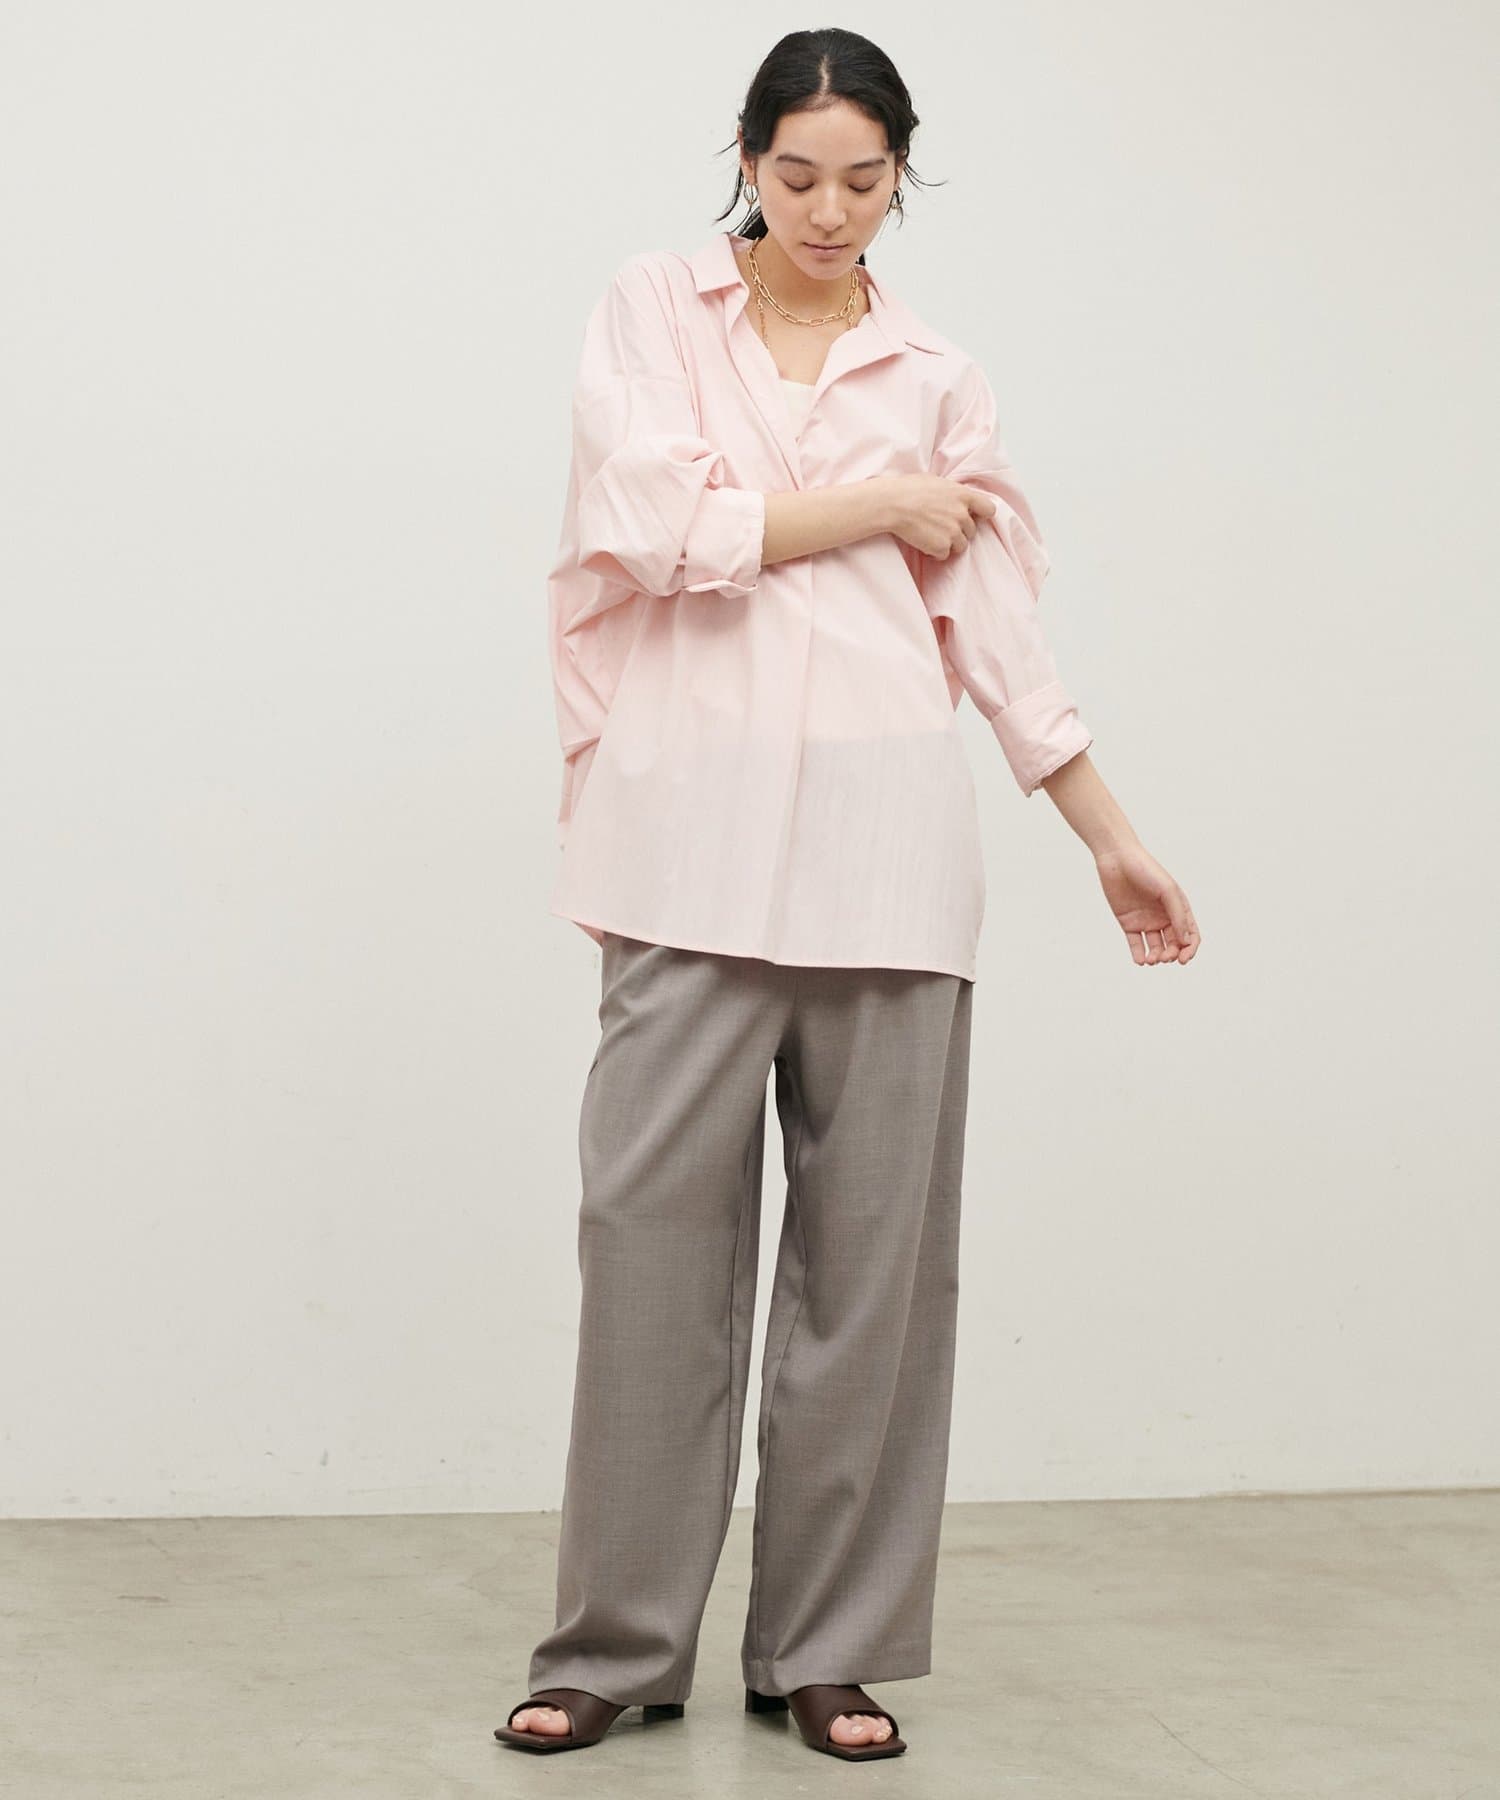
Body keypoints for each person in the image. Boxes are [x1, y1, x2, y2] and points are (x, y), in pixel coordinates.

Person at [496, 27, 1201, 1765]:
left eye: (863, 180)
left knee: (870, 1283)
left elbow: (995, 626)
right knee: (647, 1261)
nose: (827, 210)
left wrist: (1104, 829)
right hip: (683, 853)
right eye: (796, 174)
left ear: (903, 175)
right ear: (745, 159)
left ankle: (828, 1649)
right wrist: (881, 502)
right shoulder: (654, 313)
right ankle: (616, 1646)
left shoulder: (939, 372)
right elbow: (658, 525)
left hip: (891, 861)